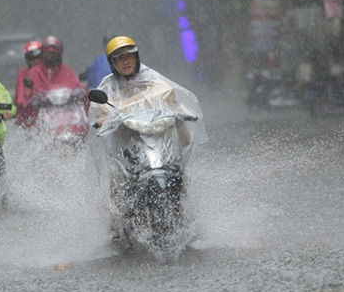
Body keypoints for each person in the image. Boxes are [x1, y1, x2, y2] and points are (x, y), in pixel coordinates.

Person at [89, 36, 207, 239]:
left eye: (129, 57)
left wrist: (179, 112)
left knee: (181, 176)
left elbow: (173, 102)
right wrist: (103, 119)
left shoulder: (155, 82)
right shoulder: (107, 89)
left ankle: (188, 214)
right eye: (120, 59)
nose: (126, 62)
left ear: (136, 58)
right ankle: (116, 225)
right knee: (117, 180)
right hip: (127, 149)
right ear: (112, 64)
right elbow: (99, 113)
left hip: (161, 144)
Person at [21, 35, 88, 126]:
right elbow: (28, 96)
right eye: (48, 54)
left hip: (66, 111)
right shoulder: (35, 71)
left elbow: (76, 84)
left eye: (54, 54)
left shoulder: (66, 70)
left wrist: (82, 90)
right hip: (44, 111)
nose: (51, 57)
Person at [14, 40, 42, 126]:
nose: (36, 61)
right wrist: (23, 103)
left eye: (39, 57)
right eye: (32, 58)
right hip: (30, 111)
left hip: (50, 108)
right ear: (27, 59)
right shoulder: (23, 73)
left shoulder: (50, 71)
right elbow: (20, 95)